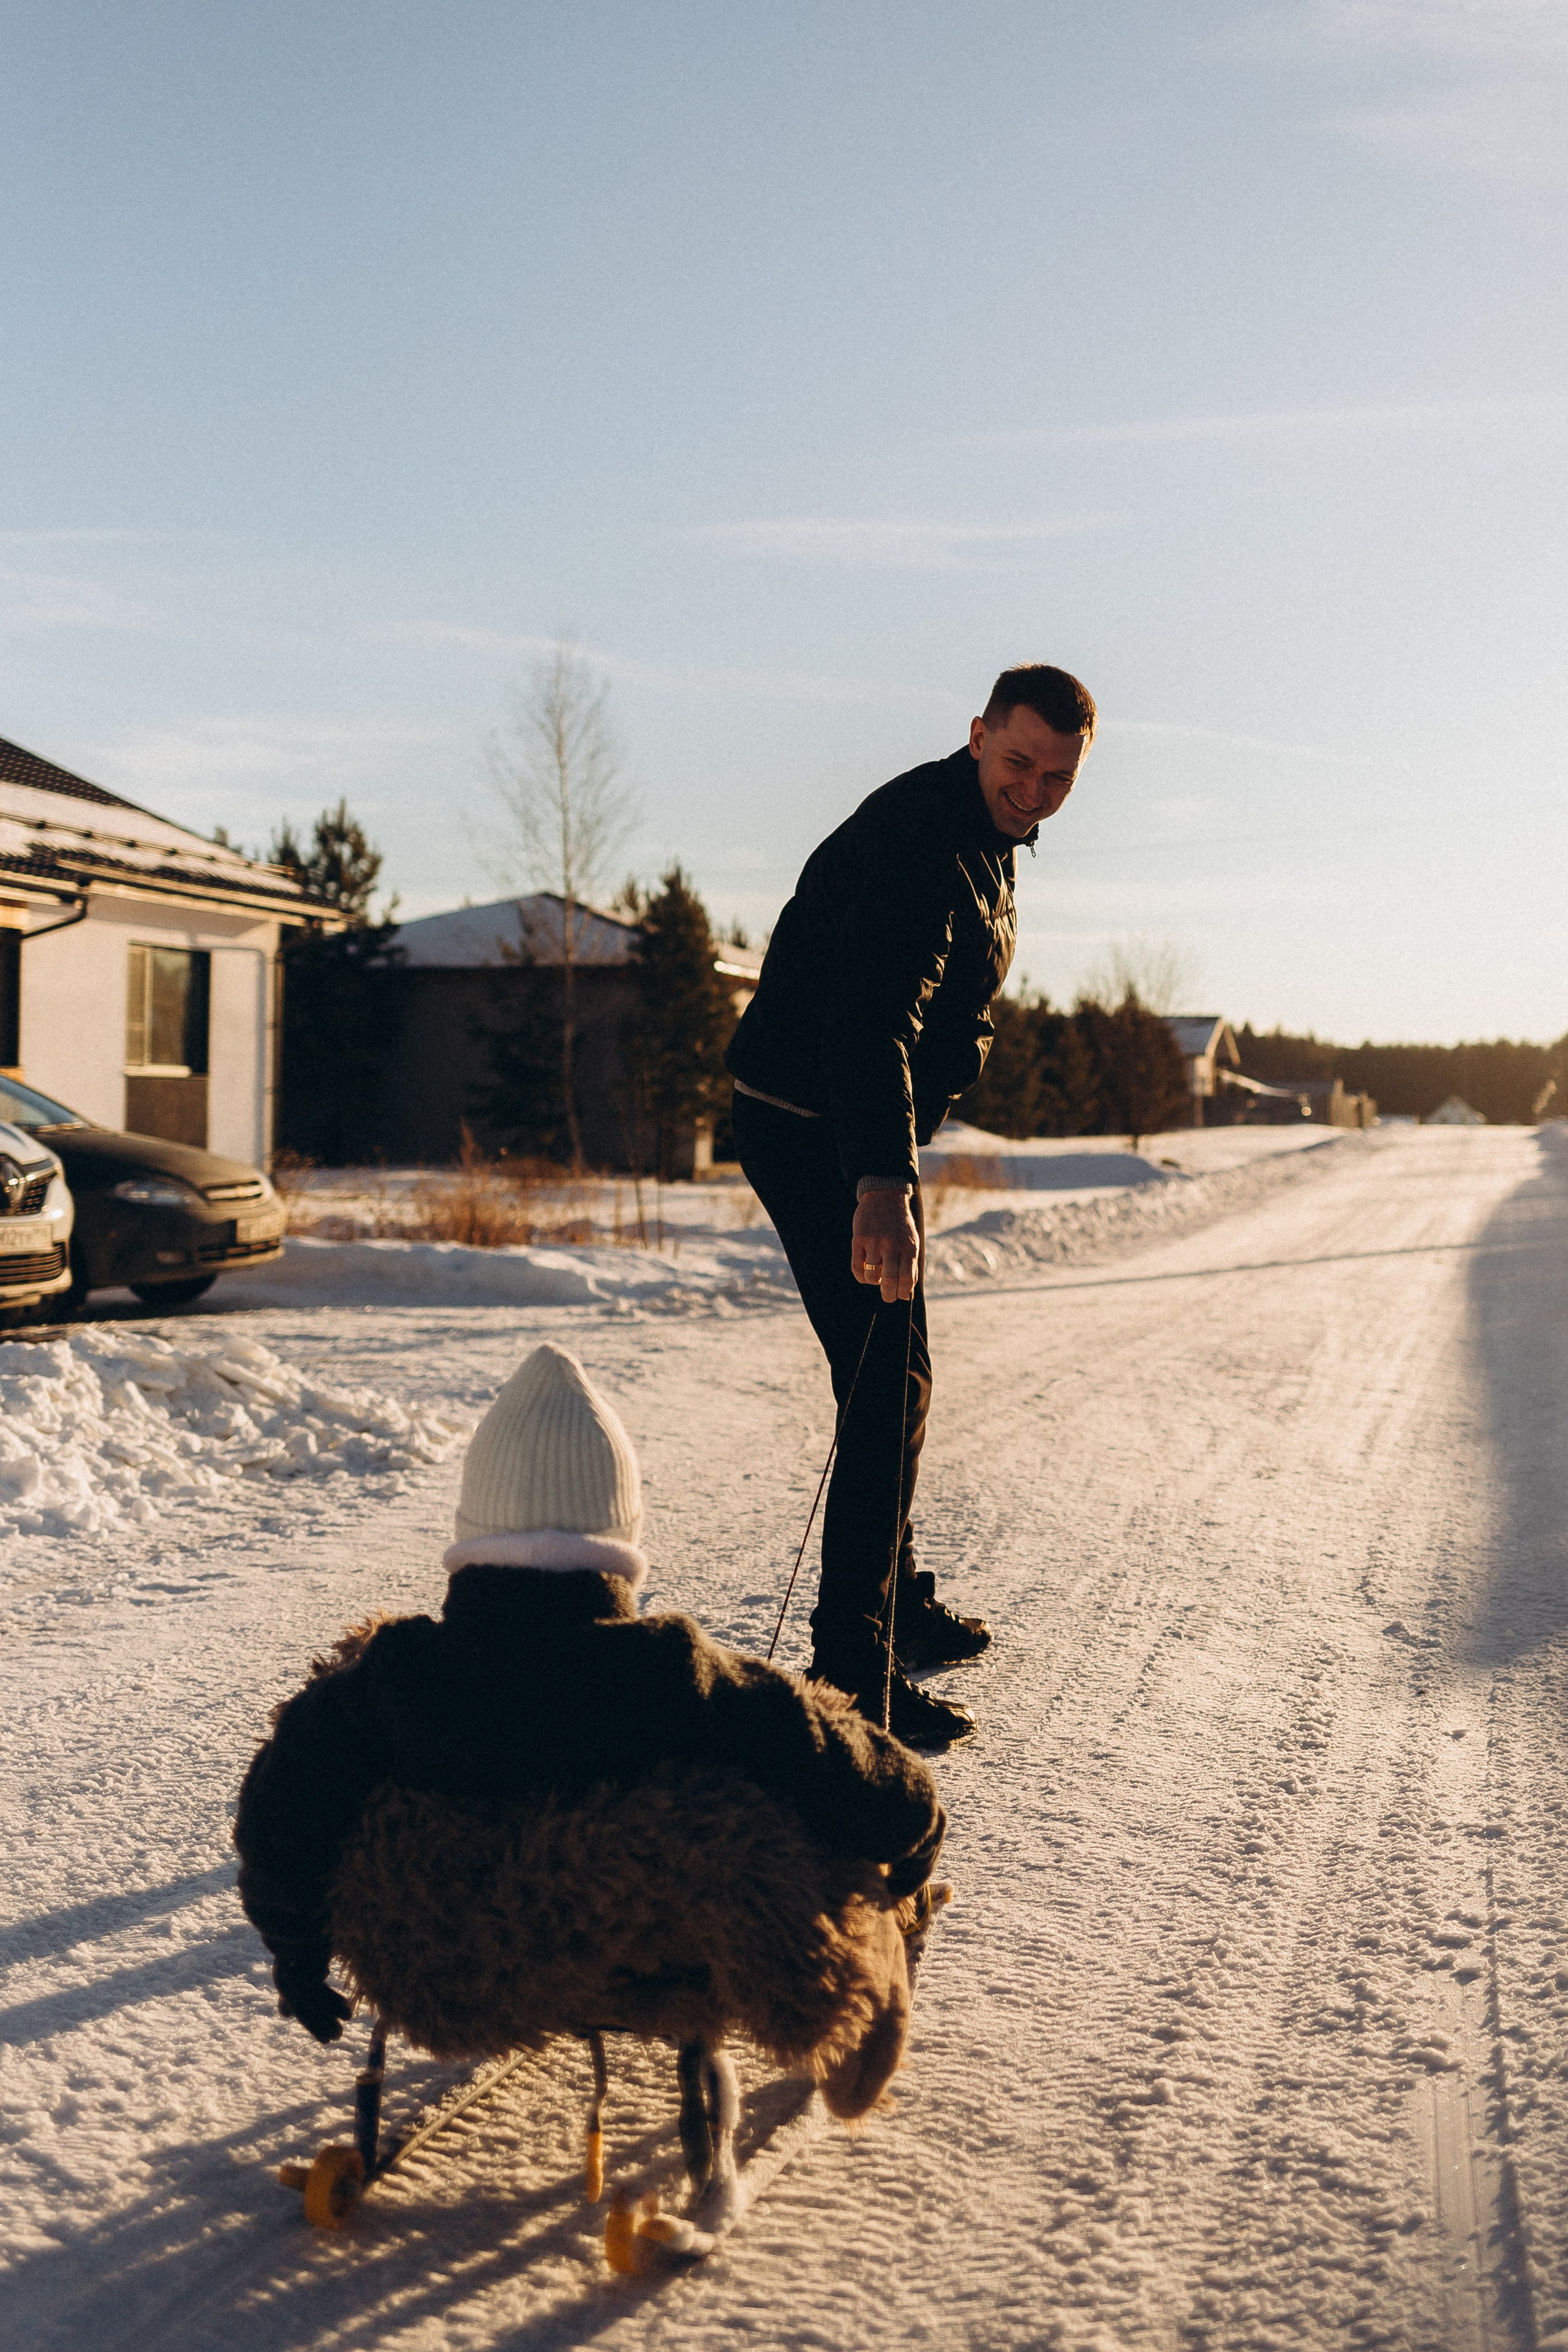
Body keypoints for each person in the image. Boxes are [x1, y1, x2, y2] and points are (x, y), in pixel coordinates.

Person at [235, 1342, 945, 2060]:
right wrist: (907, 1861)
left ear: (472, 1533)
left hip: (457, 1961)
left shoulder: (396, 1674)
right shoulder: (673, 1671)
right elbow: (852, 1774)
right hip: (647, 1953)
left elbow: (282, 1807)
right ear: (620, 1535)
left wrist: (296, 1954)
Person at [725, 663, 1097, 1749]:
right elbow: (870, 1024)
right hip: (813, 1126)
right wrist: (881, 1187)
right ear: (978, 734)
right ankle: (853, 1673)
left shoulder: (983, 828)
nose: (1034, 790)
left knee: (891, 1374)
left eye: (1059, 776)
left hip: (849, 1125)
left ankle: (895, 1597)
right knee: (890, 1384)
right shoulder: (919, 843)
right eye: (1019, 763)